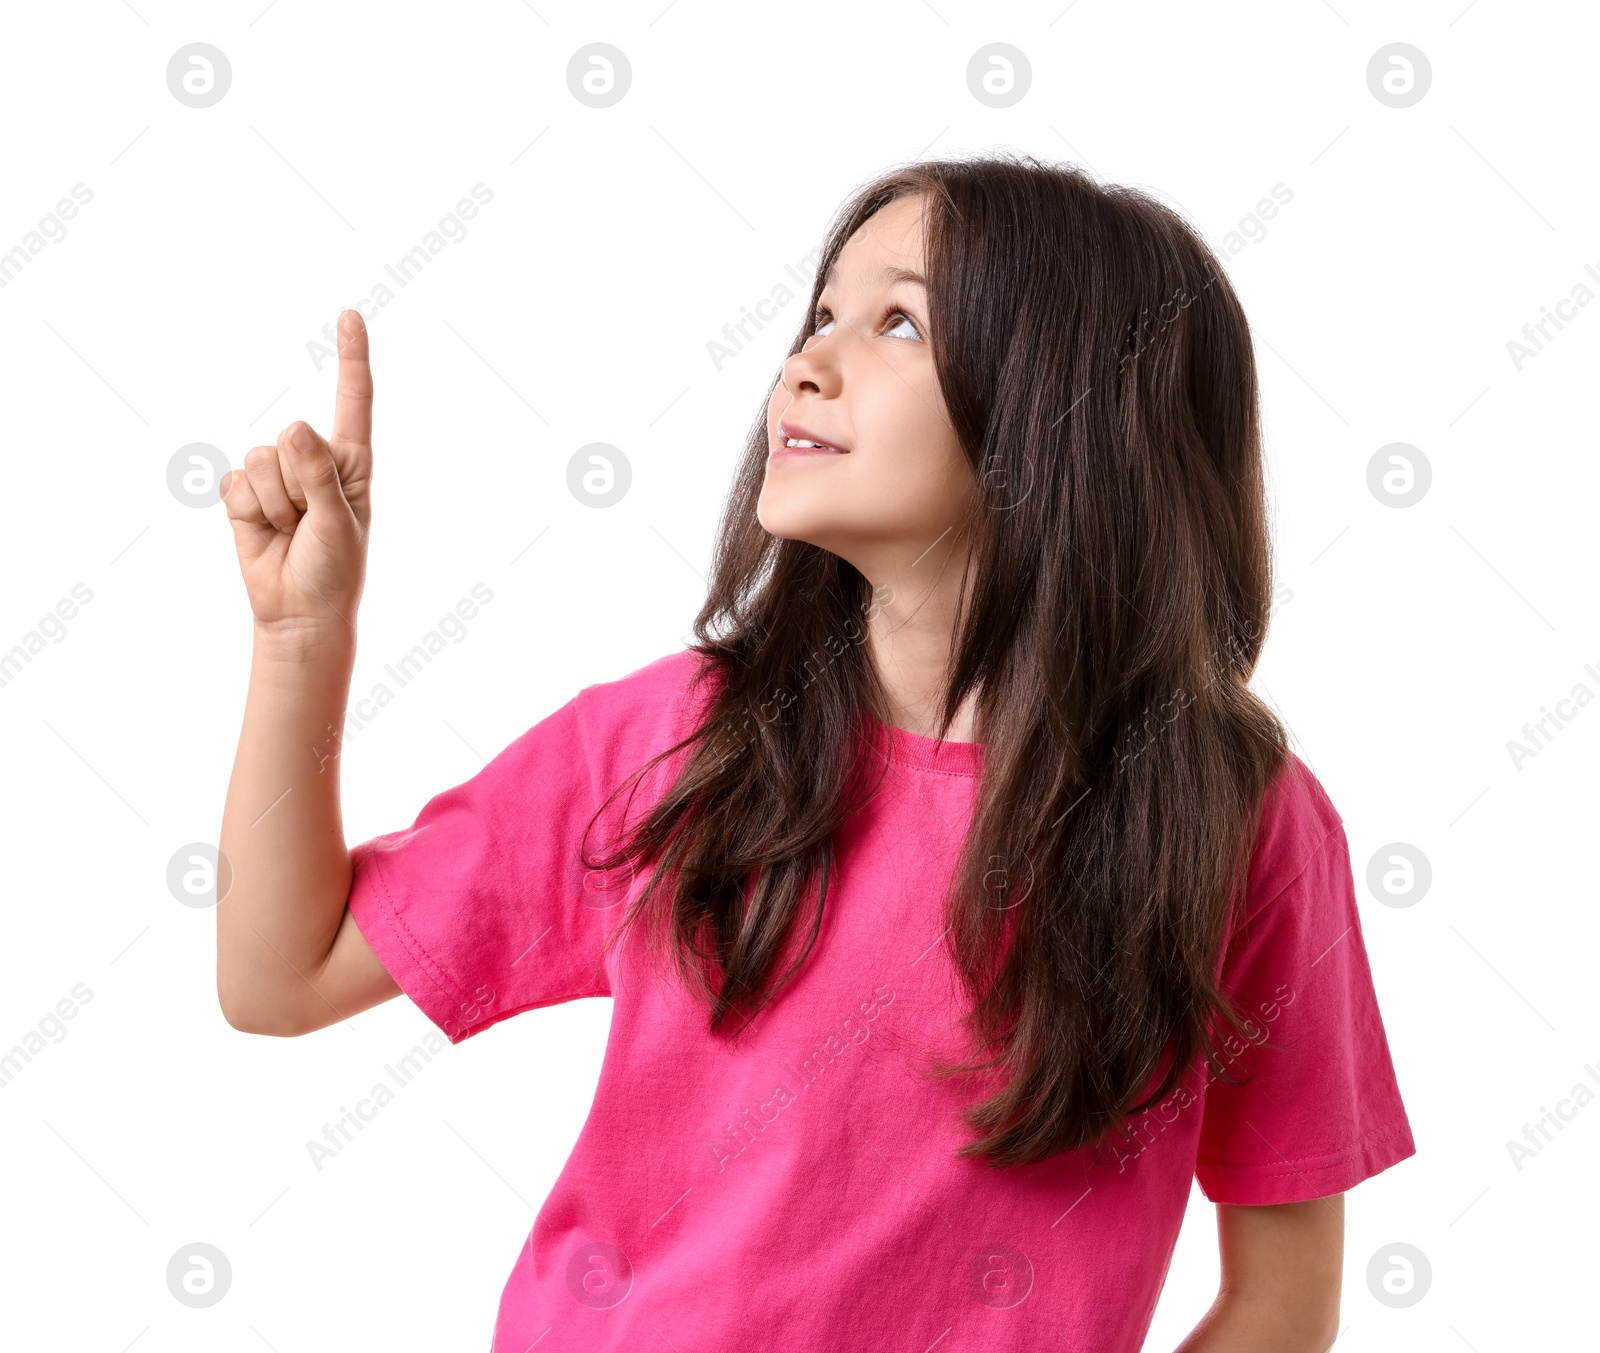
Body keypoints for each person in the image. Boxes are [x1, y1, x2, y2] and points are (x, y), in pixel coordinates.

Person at [215, 152, 1414, 1352]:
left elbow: (1280, 1301)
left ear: (1070, 412)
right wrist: (301, 638)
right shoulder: (669, 740)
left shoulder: (1238, 822)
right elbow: (283, 977)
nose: (807, 361)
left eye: (898, 321)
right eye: (822, 313)